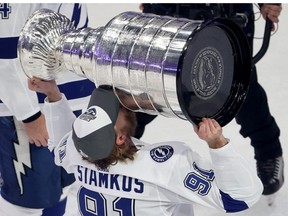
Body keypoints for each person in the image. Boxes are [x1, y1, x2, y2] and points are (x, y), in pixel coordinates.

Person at [27, 77, 263, 216]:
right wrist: (217, 143)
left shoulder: (79, 155)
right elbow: (239, 199)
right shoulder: (163, 165)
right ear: (120, 138)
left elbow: (59, 144)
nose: (119, 104)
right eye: (115, 111)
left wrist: (54, 95)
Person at [138, 3, 284, 196]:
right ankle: (119, 150)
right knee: (148, 85)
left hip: (226, 10)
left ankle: (269, 152)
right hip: (168, 10)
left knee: (239, 87)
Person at [0, 3, 95, 215]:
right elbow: (4, 55)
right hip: (29, 108)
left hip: (72, 98)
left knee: (64, 184)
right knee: (28, 199)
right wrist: (29, 115)